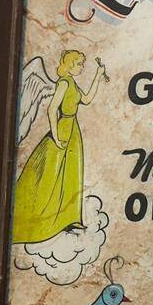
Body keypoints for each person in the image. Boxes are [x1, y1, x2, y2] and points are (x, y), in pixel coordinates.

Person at [13, 50, 104, 243]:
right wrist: (55, 134)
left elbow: (86, 100)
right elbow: (52, 107)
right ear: (70, 64)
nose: (81, 67)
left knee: (71, 173)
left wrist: (97, 75)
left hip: (73, 130)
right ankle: (41, 219)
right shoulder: (64, 83)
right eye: (79, 64)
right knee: (51, 175)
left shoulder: (73, 83)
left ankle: (69, 218)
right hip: (63, 129)